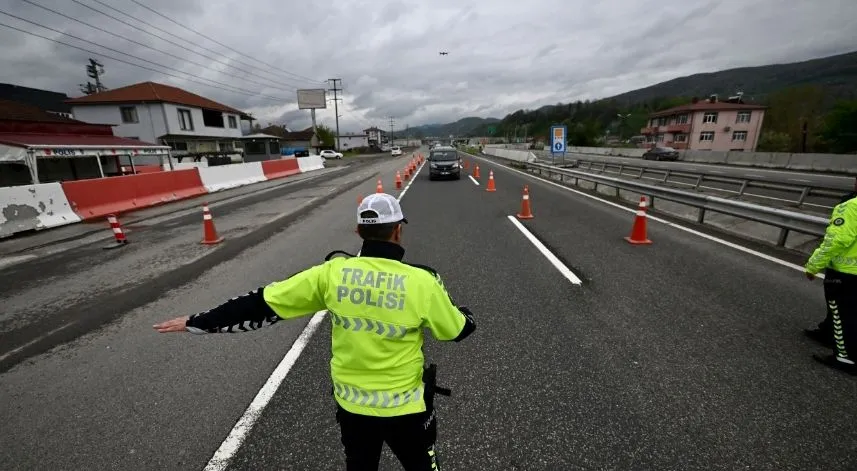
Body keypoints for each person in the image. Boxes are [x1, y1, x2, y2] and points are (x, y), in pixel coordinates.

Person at [153, 192, 476, 470]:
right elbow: (456, 330)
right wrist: (466, 315)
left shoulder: (332, 273)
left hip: (352, 408)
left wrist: (199, 321)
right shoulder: (422, 281)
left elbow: (263, 302)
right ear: (398, 231)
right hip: (407, 409)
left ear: (358, 231)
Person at [804, 189, 857, 374]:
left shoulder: (851, 206)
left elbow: (835, 240)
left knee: (842, 311)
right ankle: (828, 333)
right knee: (846, 311)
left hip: (846, 271)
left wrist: (813, 265)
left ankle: (846, 358)